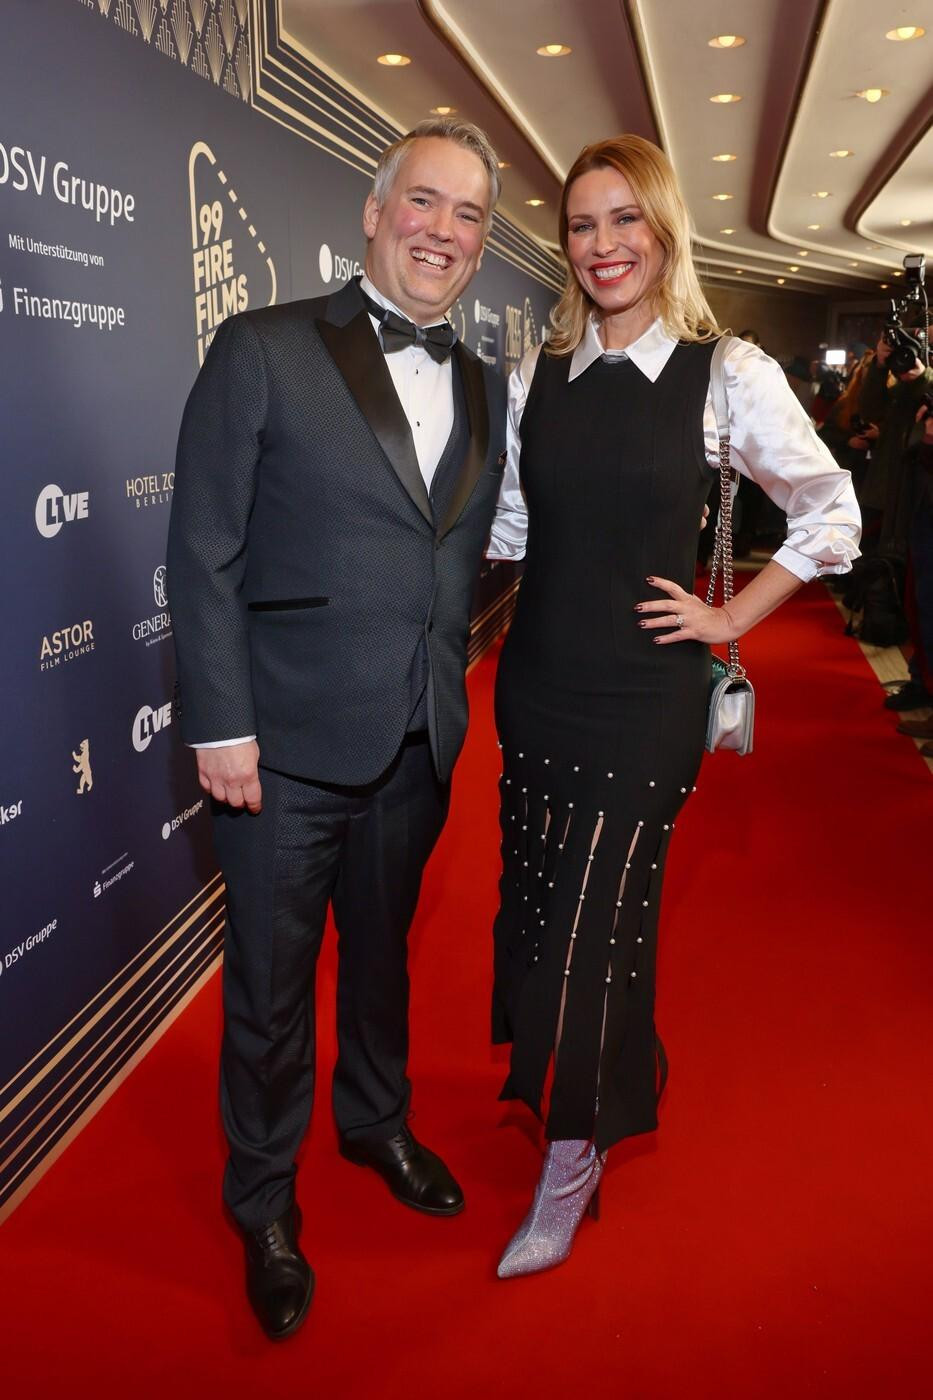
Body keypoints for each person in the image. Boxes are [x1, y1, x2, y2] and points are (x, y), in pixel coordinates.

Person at [486, 134, 861, 1279]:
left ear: (664, 231)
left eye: (625, 220)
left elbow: (832, 511)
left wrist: (733, 613)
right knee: (550, 920)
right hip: (537, 687)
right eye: (582, 224)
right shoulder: (536, 375)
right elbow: (509, 532)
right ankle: (613, 1070)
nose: (604, 245)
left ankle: (572, 1156)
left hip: (646, 699)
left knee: (585, 933)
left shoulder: (726, 371)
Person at [167, 118, 506, 1339]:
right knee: (269, 988)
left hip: (418, 733)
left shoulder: (488, 383)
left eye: (469, 215)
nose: (443, 231)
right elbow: (202, 546)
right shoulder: (262, 348)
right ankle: (263, 1201)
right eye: (424, 201)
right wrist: (220, 722)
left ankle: (375, 1120)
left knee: (381, 957)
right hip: (281, 748)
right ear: (373, 212)